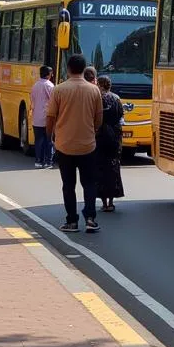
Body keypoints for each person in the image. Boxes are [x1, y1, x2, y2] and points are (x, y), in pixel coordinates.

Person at [46, 53, 103, 233]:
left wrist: (51, 136)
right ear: (84, 68)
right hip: (88, 144)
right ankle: (91, 218)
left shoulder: (59, 90)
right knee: (89, 183)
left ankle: (71, 221)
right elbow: (98, 118)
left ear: (68, 69)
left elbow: (50, 117)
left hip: (64, 144)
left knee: (68, 185)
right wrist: (92, 131)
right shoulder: (94, 90)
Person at [95, 75, 124, 212]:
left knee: (100, 168)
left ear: (100, 85)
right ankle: (111, 201)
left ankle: (104, 202)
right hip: (114, 138)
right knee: (113, 167)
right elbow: (121, 117)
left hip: (100, 137)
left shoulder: (97, 99)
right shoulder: (117, 98)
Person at [30, 66, 55, 169]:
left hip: (36, 118)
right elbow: (53, 101)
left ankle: (38, 161)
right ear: (48, 74)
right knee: (48, 140)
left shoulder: (35, 85)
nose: (52, 75)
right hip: (46, 118)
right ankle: (48, 161)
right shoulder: (49, 85)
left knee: (38, 140)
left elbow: (32, 100)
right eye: (51, 73)